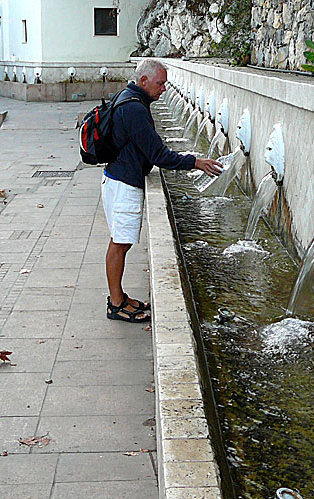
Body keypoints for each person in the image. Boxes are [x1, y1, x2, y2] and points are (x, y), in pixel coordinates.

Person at [103, 58, 222, 323]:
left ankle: (120, 297)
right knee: (119, 244)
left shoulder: (130, 98)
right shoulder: (134, 109)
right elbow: (158, 154)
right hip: (123, 184)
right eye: (160, 83)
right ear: (143, 81)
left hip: (119, 179)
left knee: (120, 242)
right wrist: (195, 162)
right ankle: (115, 304)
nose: (164, 89)